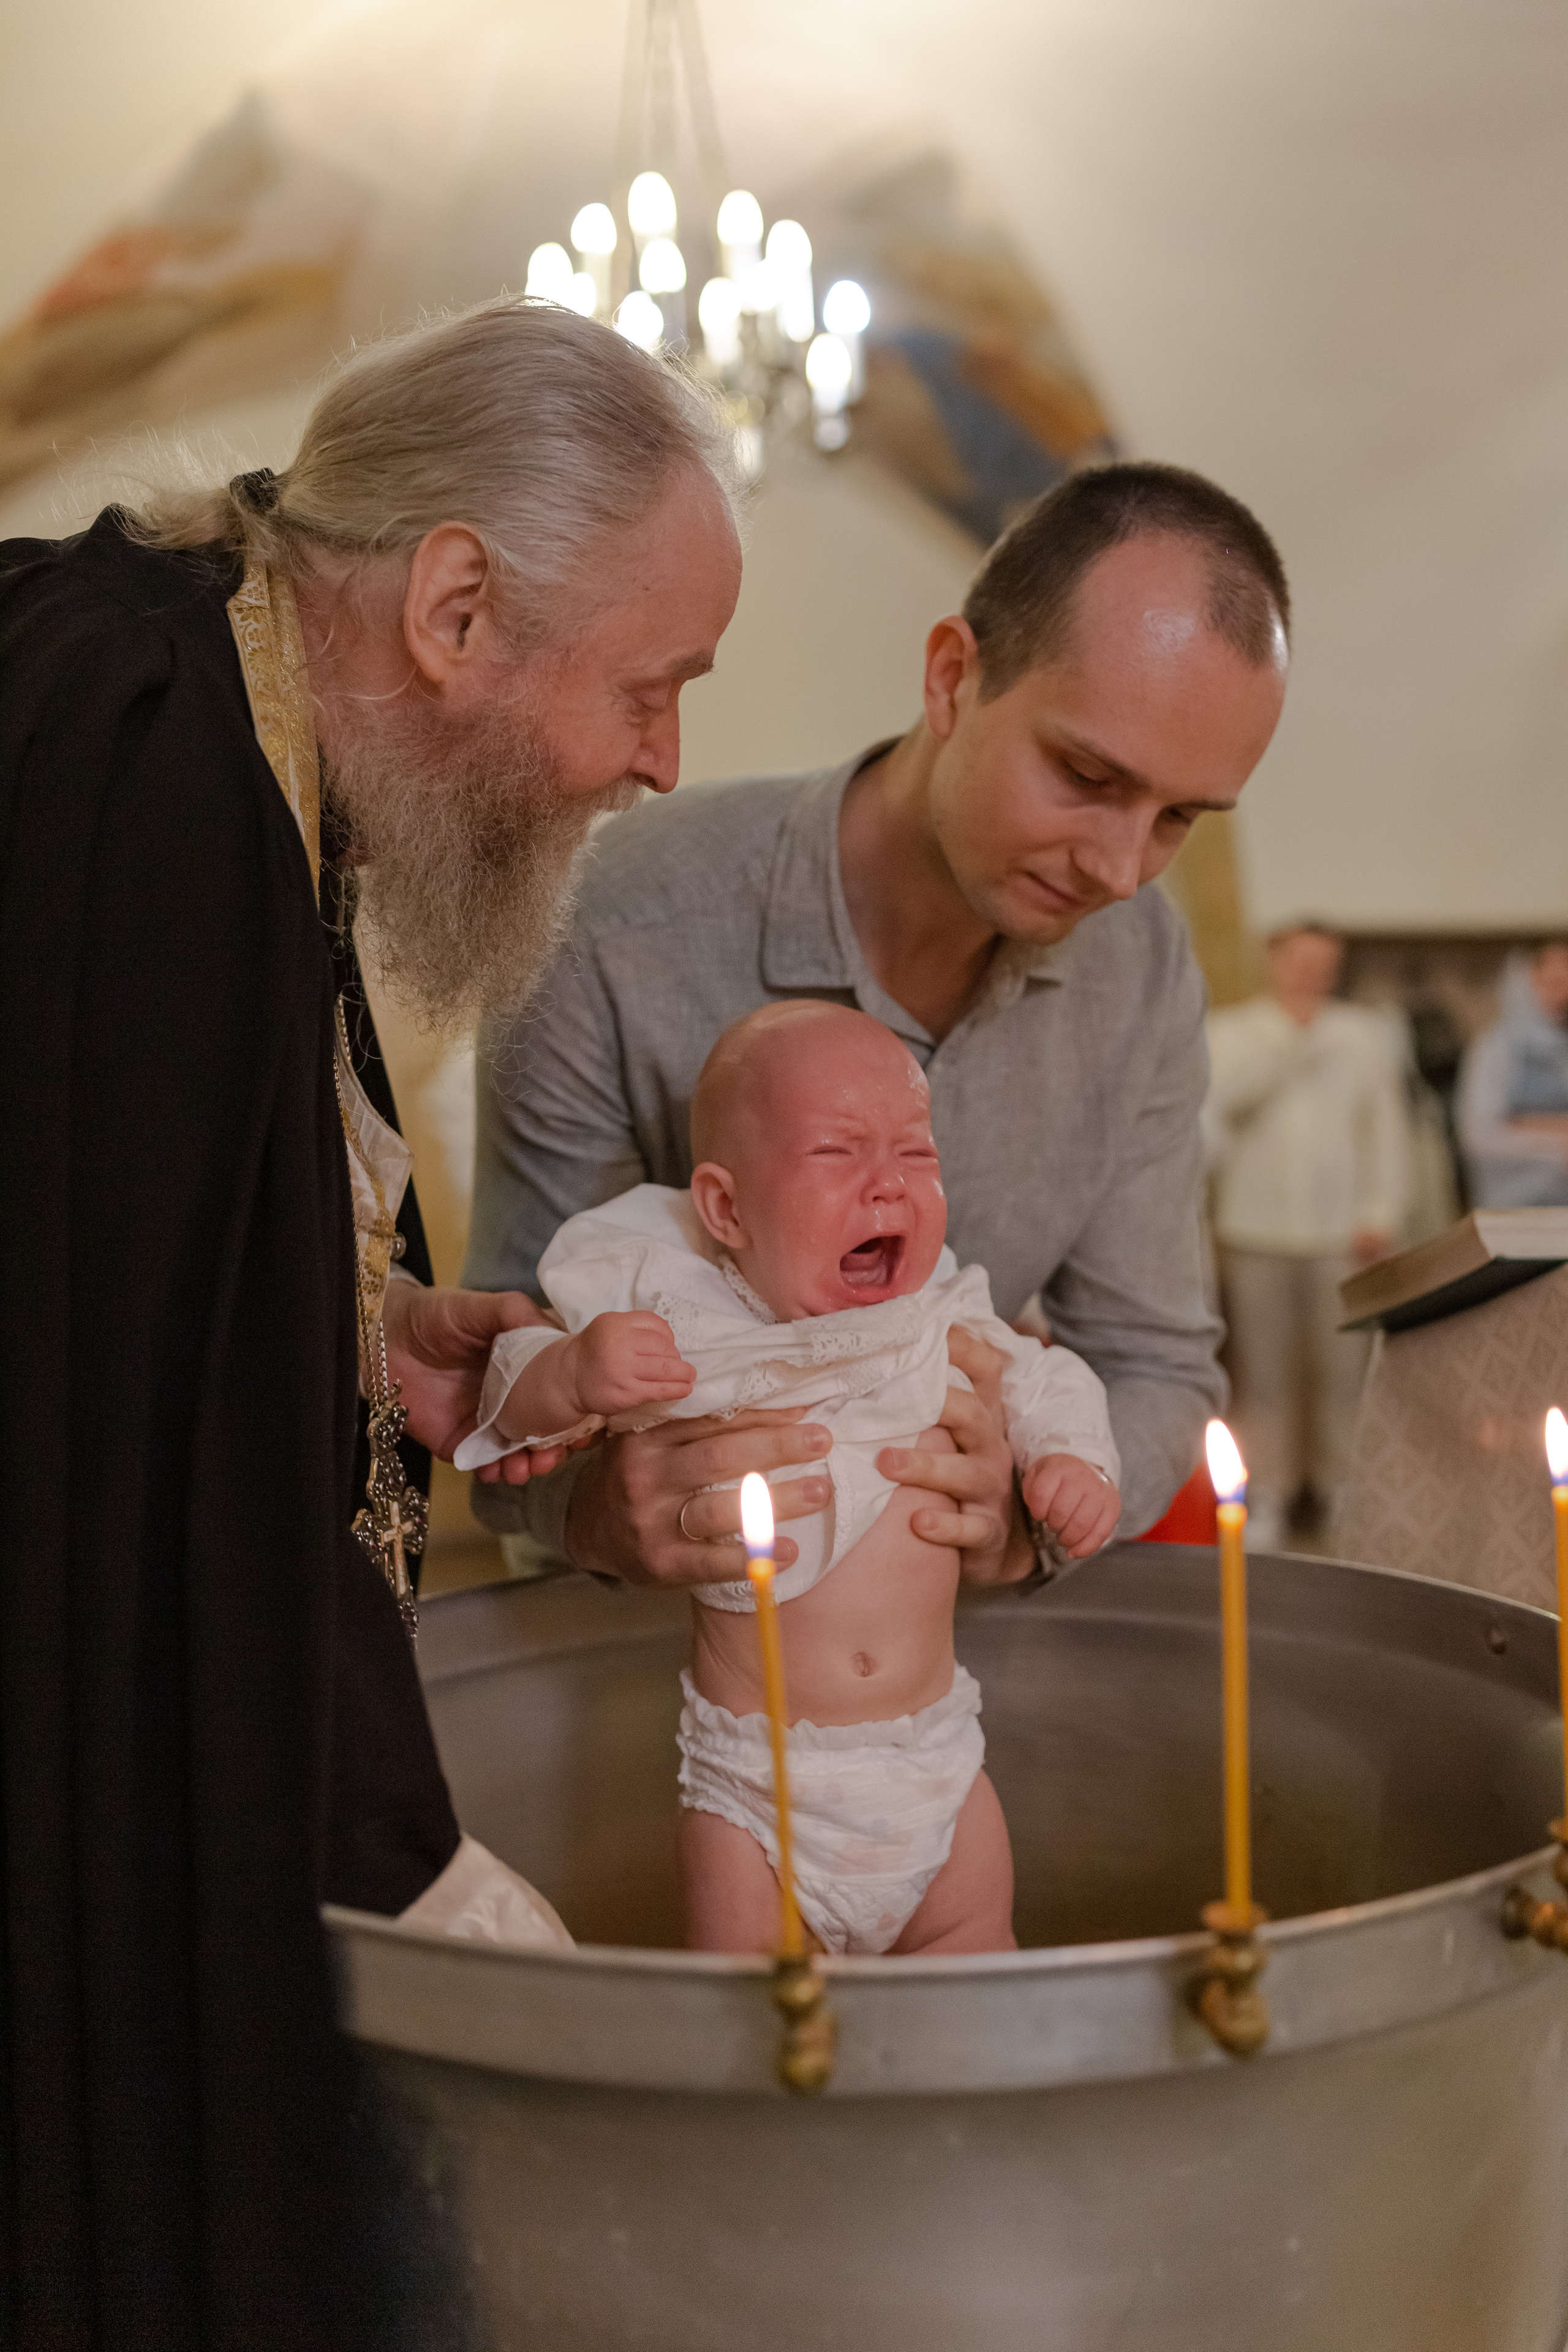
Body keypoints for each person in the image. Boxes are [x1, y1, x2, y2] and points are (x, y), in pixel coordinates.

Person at [0, 297, 741, 2346]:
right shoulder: (144, 775)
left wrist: (363, 1349)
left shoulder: (219, 722)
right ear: (453, 609)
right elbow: (113, 1447)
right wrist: (399, 1846)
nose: (662, 759)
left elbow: (140, 1306)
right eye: (653, 683)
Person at [464, 461, 1291, 1589]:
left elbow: (1152, 1365)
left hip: (947, 1653)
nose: (1119, 869)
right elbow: (502, 1373)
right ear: (954, 676)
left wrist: (1023, 1519)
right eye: (1087, 774)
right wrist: (594, 1507)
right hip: (662, 1643)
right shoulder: (616, 918)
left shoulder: (1140, 972)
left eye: (1180, 818)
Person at [456, 1003, 1120, 1956]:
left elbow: (1045, 1375)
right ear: (726, 1210)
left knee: (969, 2025)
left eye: (916, 1156)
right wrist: (570, 1376)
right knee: (757, 2044)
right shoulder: (673, 1307)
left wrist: (1070, 1460)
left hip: (935, 1767)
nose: (888, 1187)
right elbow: (508, 1382)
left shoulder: (936, 1315)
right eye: (838, 1155)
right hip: (756, 1797)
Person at [1206, 923, 1411, 1550]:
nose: (1310, 973)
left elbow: (1384, 1126)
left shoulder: (1361, 1035)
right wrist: (1287, 1047)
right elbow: (1213, 1108)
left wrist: (1380, 1209)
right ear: (1274, 961)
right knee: (1262, 1372)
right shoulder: (1233, 1032)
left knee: (1342, 1371)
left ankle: (1338, 1487)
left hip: (1339, 1235)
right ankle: (1266, 1490)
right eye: (1300, 960)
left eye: (1324, 962)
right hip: (1254, 1230)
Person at [1457, 941, 1568, 1208]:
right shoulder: (1496, 1048)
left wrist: (1529, 1125)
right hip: (1512, 1208)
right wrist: (1556, 1141)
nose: (1560, 989)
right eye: (1550, 978)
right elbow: (1478, 1133)